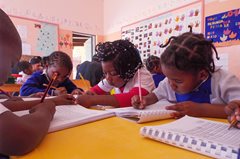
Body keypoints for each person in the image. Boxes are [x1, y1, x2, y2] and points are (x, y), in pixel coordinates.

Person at [0, 9, 74, 156]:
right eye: (11, 63)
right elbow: (19, 137)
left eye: (64, 76)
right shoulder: (37, 77)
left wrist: (74, 92)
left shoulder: (64, 80)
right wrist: (45, 110)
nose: (10, 72)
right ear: (47, 67)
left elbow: (5, 105)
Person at [131, 27, 240, 119]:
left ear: (202, 75)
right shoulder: (170, 81)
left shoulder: (224, 81)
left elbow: (235, 108)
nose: (171, 84)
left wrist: (201, 110)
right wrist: (145, 100)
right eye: (168, 78)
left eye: (178, 81)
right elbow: (155, 95)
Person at [75, 39, 155, 108]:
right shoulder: (111, 78)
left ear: (128, 69)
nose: (108, 78)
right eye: (105, 73)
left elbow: (131, 98)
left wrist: (92, 100)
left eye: (113, 73)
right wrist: (86, 94)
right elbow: (95, 90)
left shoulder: (142, 75)